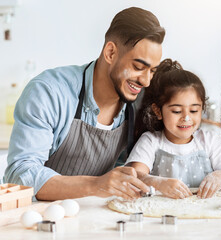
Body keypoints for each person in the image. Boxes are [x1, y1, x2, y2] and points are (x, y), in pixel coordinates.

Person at [4, 7, 165, 201]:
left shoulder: (139, 101)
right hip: (39, 218)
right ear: (110, 53)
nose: (146, 81)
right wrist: (96, 185)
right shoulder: (49, 92)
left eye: (152, 71)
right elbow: (21, 175)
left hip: (95, 217)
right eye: (138, 67)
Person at [125, 59, 221, 199]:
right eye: (176, 111)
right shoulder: (150, 141)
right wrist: (158, 183)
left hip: (202, 214)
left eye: (193, 111)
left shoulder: (209, 140)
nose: (186, 118)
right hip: (162, 214)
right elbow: (136, 176)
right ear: (158, 111)